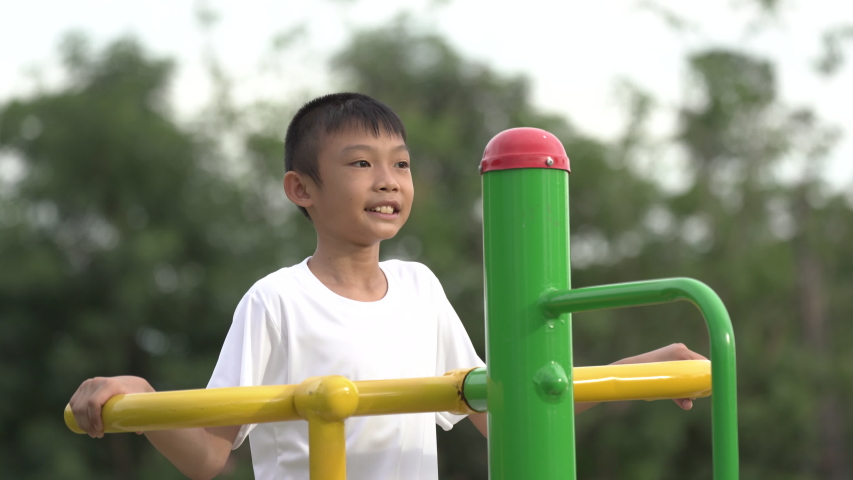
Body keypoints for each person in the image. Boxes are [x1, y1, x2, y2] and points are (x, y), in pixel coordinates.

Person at [68, 93, 706, 480]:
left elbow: (507, 414)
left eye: (400, 164)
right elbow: (209, 455)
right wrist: (139, 394)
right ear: (302, 190)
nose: (387, 180)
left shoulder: (419, 288)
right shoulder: (278, 300)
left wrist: (647, 369)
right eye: (360, 164)